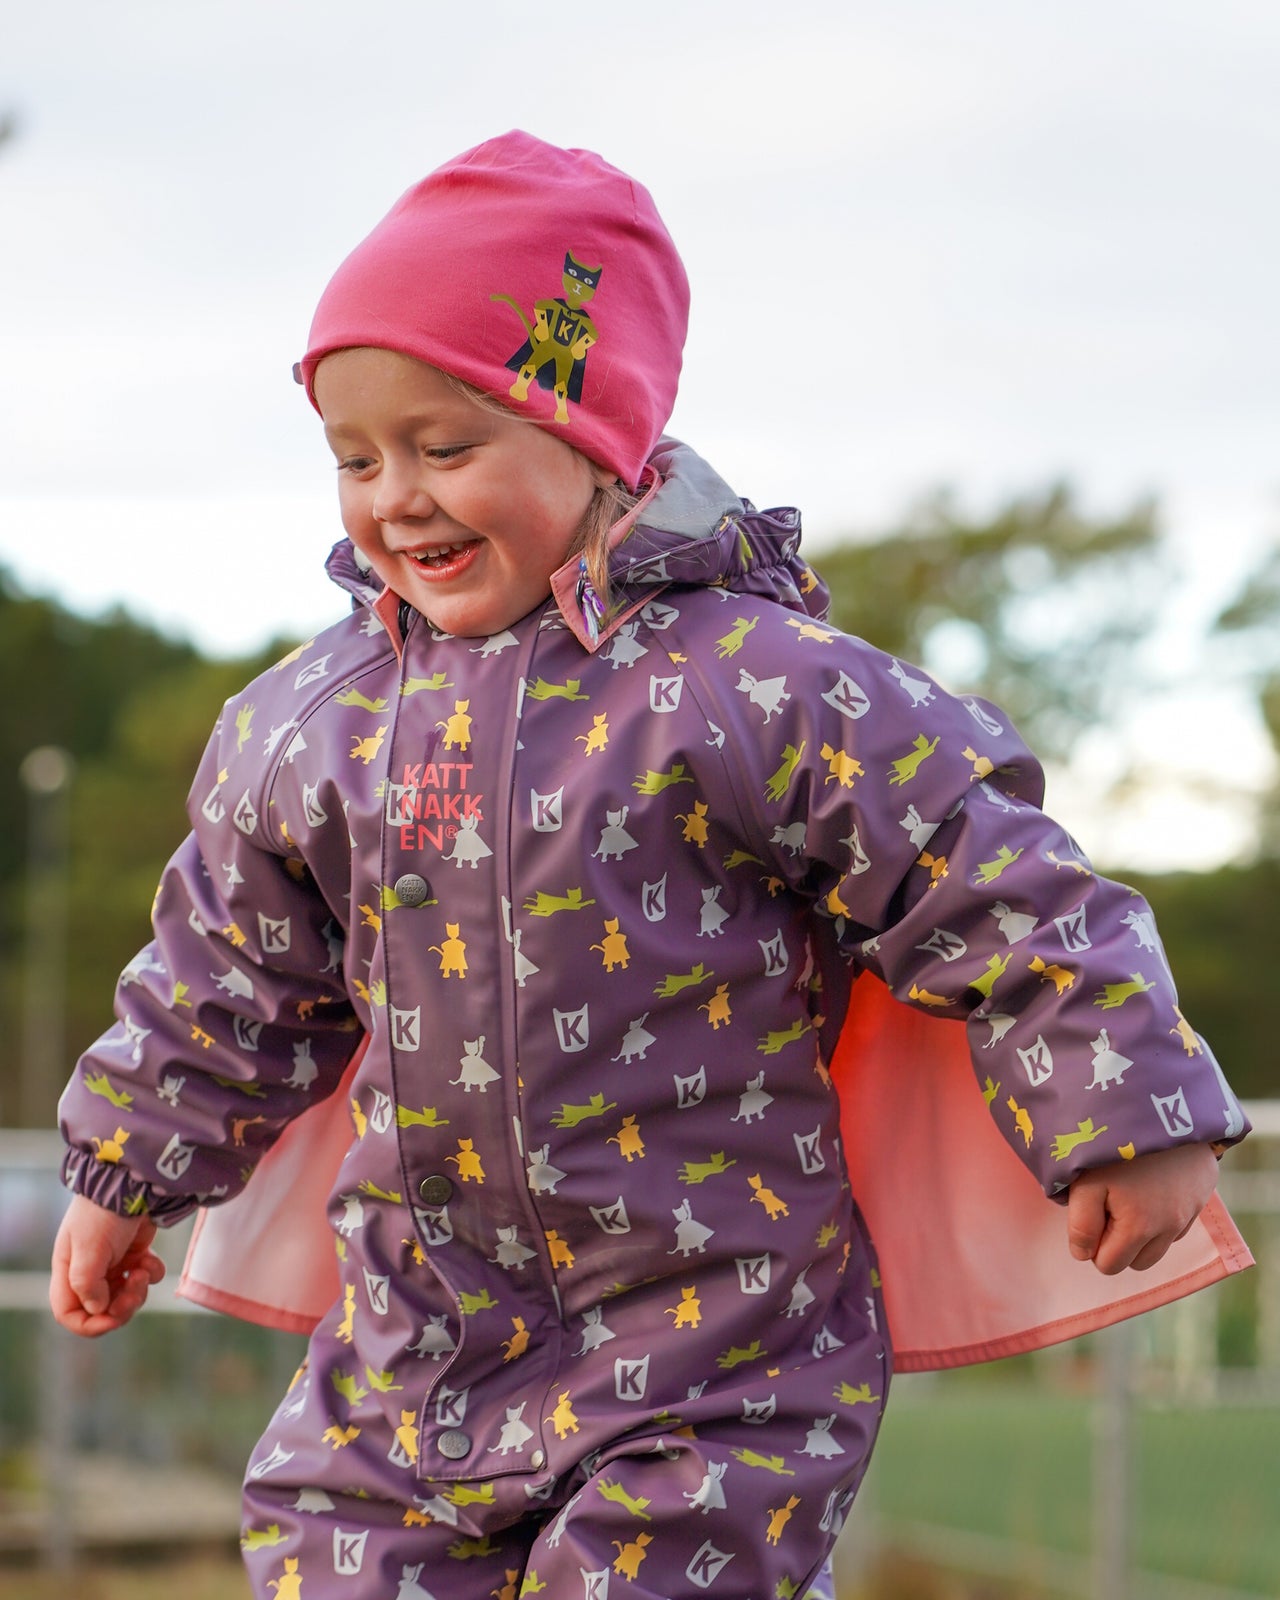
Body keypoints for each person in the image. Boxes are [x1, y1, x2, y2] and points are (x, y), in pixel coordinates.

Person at [52, 131, 1249, 1600]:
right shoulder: (314, 725)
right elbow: (223, 973)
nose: (394, 497)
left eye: (446, 447)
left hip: (712, 1354)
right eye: (355, 458)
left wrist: (1125, 1105)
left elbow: (984, 867)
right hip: (410, 1354)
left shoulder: (750, 683)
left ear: (598, 437)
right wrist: (123, 1169)